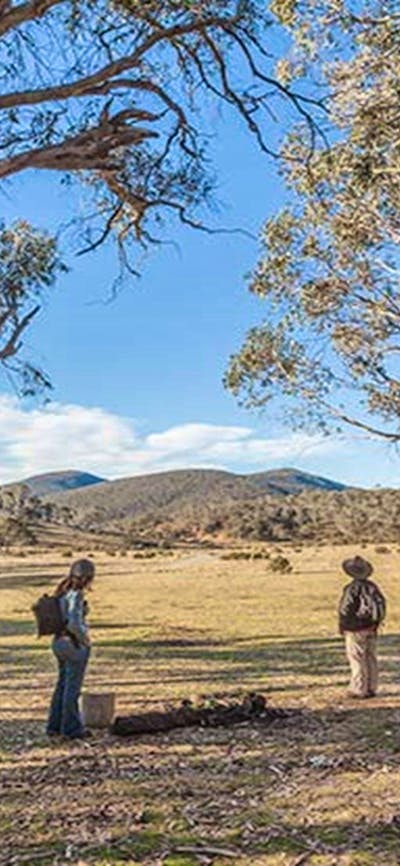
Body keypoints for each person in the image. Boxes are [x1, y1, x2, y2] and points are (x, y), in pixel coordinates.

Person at [47, 558, 95, 739]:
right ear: (88, 577)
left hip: (58, 642)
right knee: (72, 689)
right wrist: (85, 640)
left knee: (62, 685)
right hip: (73, 644)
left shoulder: (61, 592)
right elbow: (74, 623)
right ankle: (72, 729)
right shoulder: (76, 594)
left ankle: (55, 726)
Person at [338, 555, 386, 699]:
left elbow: (345, 610)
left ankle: (359, 689)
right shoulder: (373, 587)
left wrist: (343, 625)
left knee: (357, 658)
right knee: (370, 657)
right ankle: (372, 687)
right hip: (371, 626)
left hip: (355, 628)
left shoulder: (351, 588)